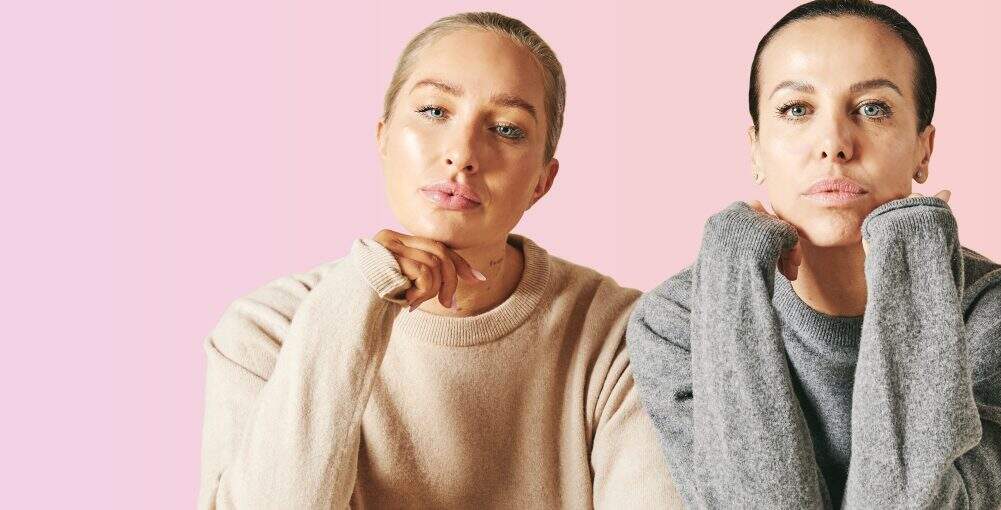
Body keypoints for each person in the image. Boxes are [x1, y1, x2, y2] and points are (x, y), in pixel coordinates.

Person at [198, 12, 681, 509]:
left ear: (543, 179)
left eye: (508, 129)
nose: (462, 152)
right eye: (433, 111)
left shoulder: (623, 337)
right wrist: (354, 301)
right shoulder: (265, 329)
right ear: (383, 136)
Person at [625, 1, 1001, 508]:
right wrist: (731, 277)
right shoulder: (676, 322)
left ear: (923, 149)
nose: (835, 144)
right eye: (797, 110)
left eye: (873, 108)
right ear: (755, 148)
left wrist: (912, 259)